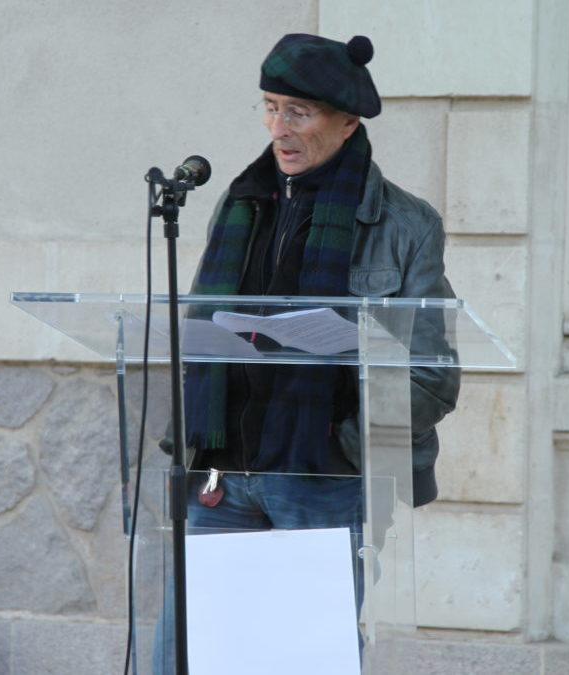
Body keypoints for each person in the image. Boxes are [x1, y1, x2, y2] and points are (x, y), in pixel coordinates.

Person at [154, 32, 460, 672]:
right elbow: (204, 335)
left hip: (324, 482)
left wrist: (340, 441)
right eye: (269, 107)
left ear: (348, 123)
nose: (279, 129)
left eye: (299, 112)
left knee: (301, 661)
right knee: (188, 658)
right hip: (219, 476)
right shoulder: (239, 206)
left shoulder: (405, 225)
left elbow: (432, 377)